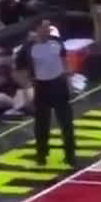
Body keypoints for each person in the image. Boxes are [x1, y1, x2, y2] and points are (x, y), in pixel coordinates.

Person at [19, 20, 77, 167]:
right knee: (41, 124)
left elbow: (64, 62)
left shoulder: (57, 42)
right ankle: (41, 155)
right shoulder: (28, 48)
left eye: (48, 27)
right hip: (41, 87)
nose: (47, 30)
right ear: (37, 29)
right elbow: (21, 70)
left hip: (59, 84)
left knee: (66, 123)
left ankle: (70, 156)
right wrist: (26, 91)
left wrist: (69, 83)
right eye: (44, 27)